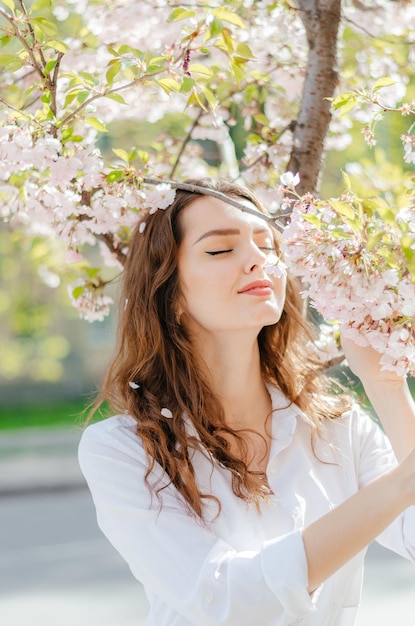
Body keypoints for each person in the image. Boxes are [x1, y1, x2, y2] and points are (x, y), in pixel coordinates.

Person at [78, 178, 415, 626]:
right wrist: (397, 487)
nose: (259, 259)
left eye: (269, 245)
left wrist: (385, 384)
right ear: (170, 292)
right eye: (220, 250)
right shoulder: (122, 450)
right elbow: (226, 600)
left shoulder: (338, 428)